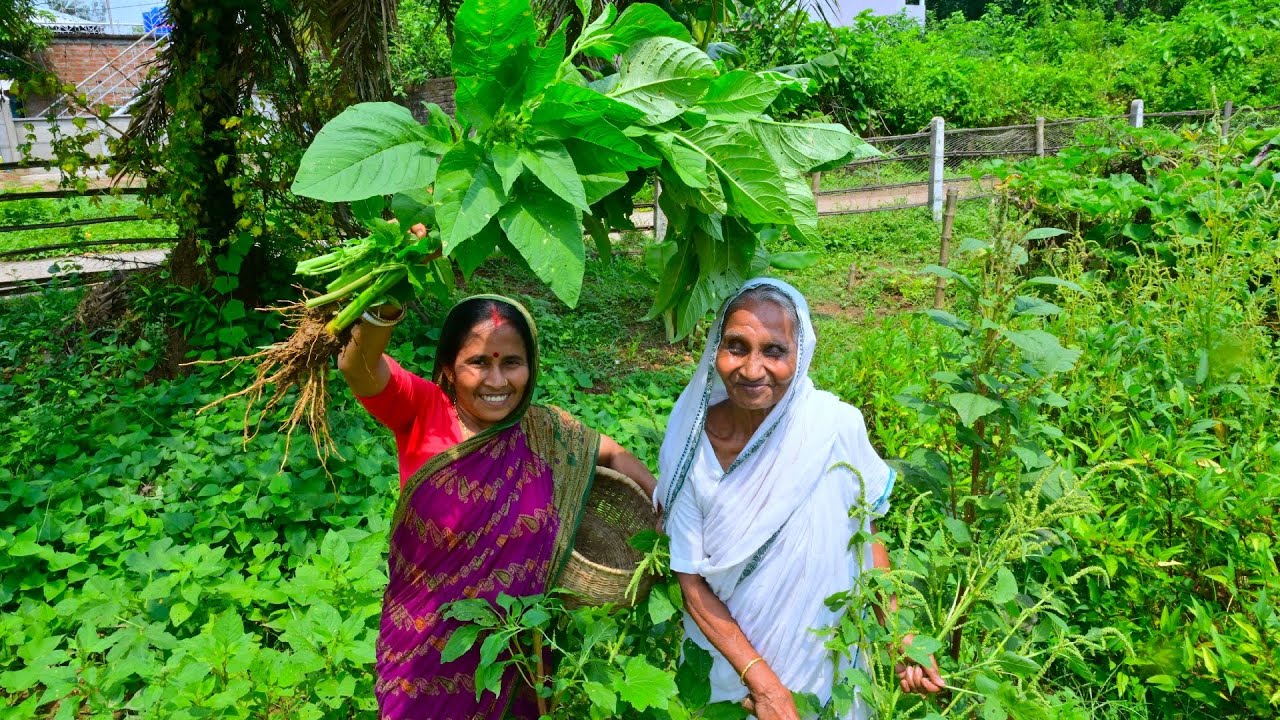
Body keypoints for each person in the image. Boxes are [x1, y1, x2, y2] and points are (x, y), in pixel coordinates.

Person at [339, 291, 657, 720]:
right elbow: (357, 367)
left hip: (517, 657)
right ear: (449, 369)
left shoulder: (545, 432)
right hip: (422, 650)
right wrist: (389, 297)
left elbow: (613, 454)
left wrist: (664, 509)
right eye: (478, 363)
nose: (496, 380)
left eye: (511, 362)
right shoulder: (422, 409)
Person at [656, 278, 944, 720]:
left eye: (774, 351)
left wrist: (898, 636)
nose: (752, 370)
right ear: (715, 349)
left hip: (824, 661)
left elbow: (865, 535)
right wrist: (764, 684)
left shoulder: (833, 427)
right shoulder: (690, 444)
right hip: (729, 676)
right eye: (736, 346)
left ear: (801, 354)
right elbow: (691, 582)